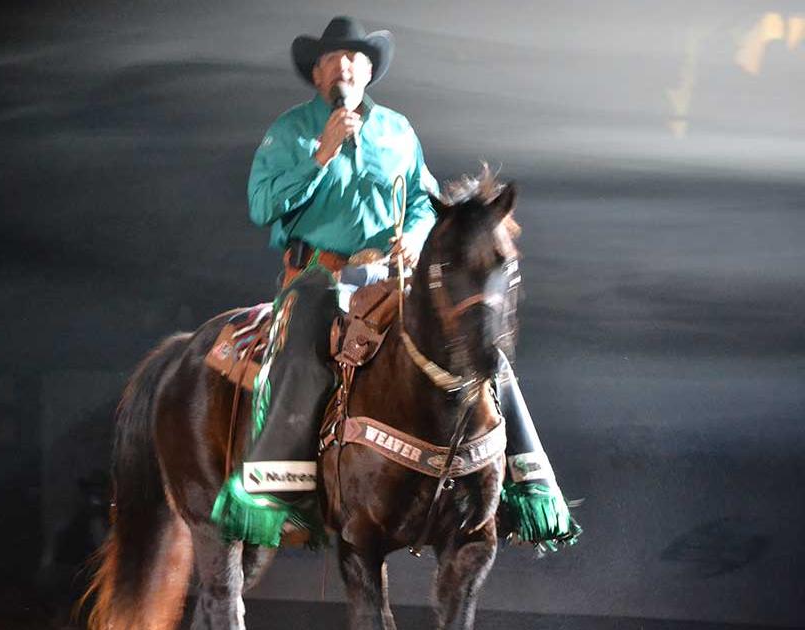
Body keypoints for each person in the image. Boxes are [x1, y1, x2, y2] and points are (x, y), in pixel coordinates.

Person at [210, 16, 579, 549]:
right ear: (317, 75)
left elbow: (425, 205)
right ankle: (277, 487)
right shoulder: (289, 131)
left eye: (356, 59)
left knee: (475, 348)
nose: (345, 67)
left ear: (368, 72)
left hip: (390, 277)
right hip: (318, 275)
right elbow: (262, 205)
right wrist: (322, 153)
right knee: (303, 348)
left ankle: (529, 483)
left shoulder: (398, 131)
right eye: (333, 60)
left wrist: (415, 236)